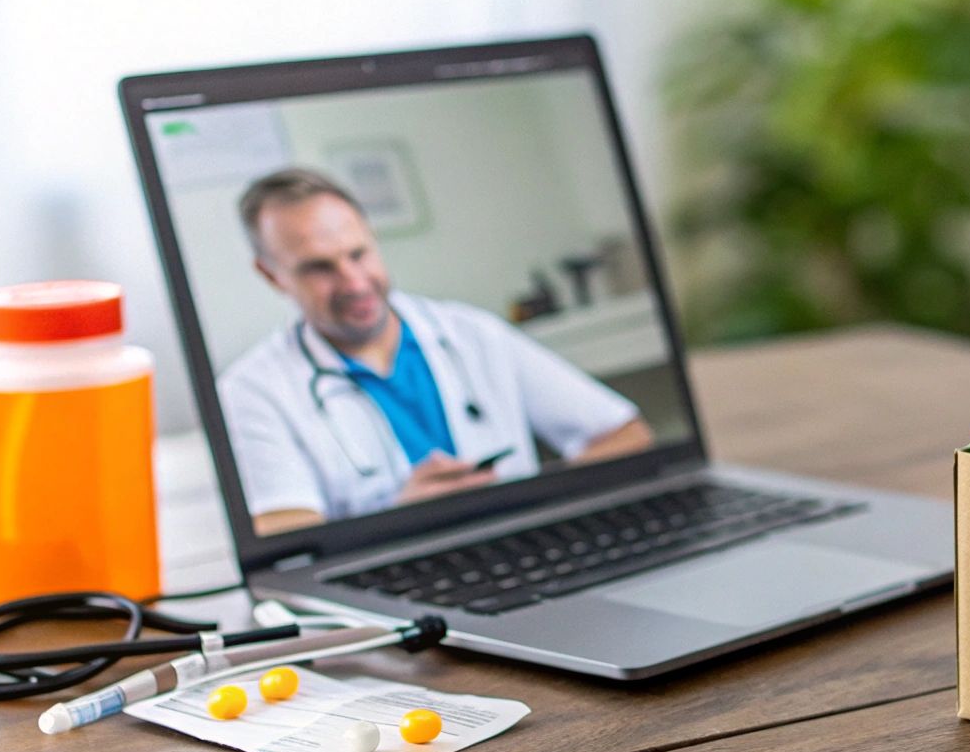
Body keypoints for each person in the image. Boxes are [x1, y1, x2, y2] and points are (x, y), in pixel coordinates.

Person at [219, 168, 654, 536]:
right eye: (319, 267)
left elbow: (626, 434)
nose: (354, 282)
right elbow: (285, 536)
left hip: (523, 544)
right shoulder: (253, 390)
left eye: (358, 253)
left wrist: (526, 493)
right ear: (271, 275)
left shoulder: (471, 333)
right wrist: (397, 518)